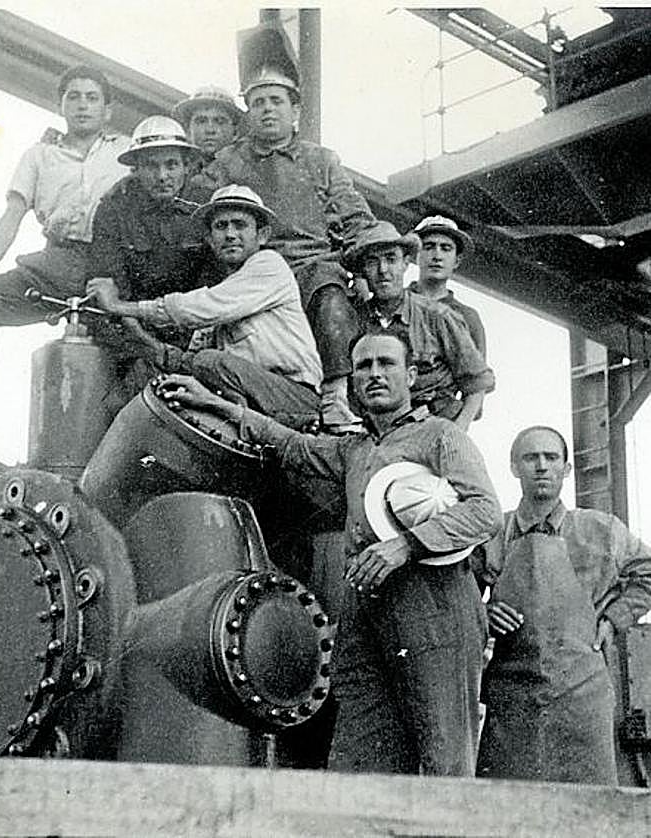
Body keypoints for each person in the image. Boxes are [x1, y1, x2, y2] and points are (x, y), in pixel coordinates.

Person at [156, 328, 501, 775]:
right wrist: (219, 406)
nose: (374, 374)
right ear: (353, 380)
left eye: (386, 363)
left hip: (436, 610)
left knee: (444, 756)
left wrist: (405, 545)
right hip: (366, 617)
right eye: (363, 366)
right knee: (358, 757)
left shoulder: (441, 437)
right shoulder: (355, 449)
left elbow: (485, 512)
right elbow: (292, 446)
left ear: (412, 375)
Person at [0, 65, 130, 453]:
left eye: (92, 98)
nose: (82, 105)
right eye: (73, 96)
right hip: (56, 264)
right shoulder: (39, 155)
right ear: (60, 104)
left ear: (108, 110)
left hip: (116, 265)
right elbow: (12, 215)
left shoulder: (126, 151)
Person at [196, 27, 375, 432]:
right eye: (257, 102)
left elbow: (354, 214)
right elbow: (197, 210)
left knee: (332, 300)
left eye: (276, 101)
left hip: (312, 266)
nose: (267, 110)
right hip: (251, 272)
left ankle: (334, 397)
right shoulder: (227, 162)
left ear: (295, 110)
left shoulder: (320, 160)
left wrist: (365, 265)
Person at [474, 425, 651, 784]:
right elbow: (459, 600)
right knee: (508, 807)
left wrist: (614, 619)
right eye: (531, 458)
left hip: (582, 694)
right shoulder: (492, 535)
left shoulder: (601, 530)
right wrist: (484, 615)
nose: (541, 466)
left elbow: (648, 573)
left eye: (551, 458)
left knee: (589, 807)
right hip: (512, 696)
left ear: (566, 469)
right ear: (514, 467)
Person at [87, 185, 322, 429]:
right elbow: (186, 356)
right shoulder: (228, 288)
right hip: (261, 396)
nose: (230, 234)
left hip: (294, 397)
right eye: (221, 227)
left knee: (208, 362)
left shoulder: (269, 265)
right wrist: (143, 339)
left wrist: (117, 305)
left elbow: (200, 309)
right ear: (209, 239)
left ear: (262, 235)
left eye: (240, 225)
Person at [87, 115, 214, 381]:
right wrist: (150, 347)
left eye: (172, 165)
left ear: (187, 166)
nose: (162, 176)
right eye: (150, 166)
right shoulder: (114, 209)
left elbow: (217, 287)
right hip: (137, 333)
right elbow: (110, 290)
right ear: (135, 169)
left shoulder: (207, 206)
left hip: (197, 331)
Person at [349, 221, 495, 430]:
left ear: (405, 263)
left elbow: (477, 383)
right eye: (372, 262)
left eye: (391, 259)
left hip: (431, 428)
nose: (383, 270)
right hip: (376, 431)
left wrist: (456, 433)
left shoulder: (441, 316)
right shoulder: (355, 318)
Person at [413, 215, 487, 358]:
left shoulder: (467, 317)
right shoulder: (397, 302)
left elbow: (478, 375)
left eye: (446, 248)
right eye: (429, 247)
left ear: (456, 261)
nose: (437, 255)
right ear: (416, 254)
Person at [173, 85, 243, 160]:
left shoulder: (249, 169)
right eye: (201, 122)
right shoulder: (180, 169)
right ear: (188, 131)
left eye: (220, 122)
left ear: (235, 132)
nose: (210, 130)